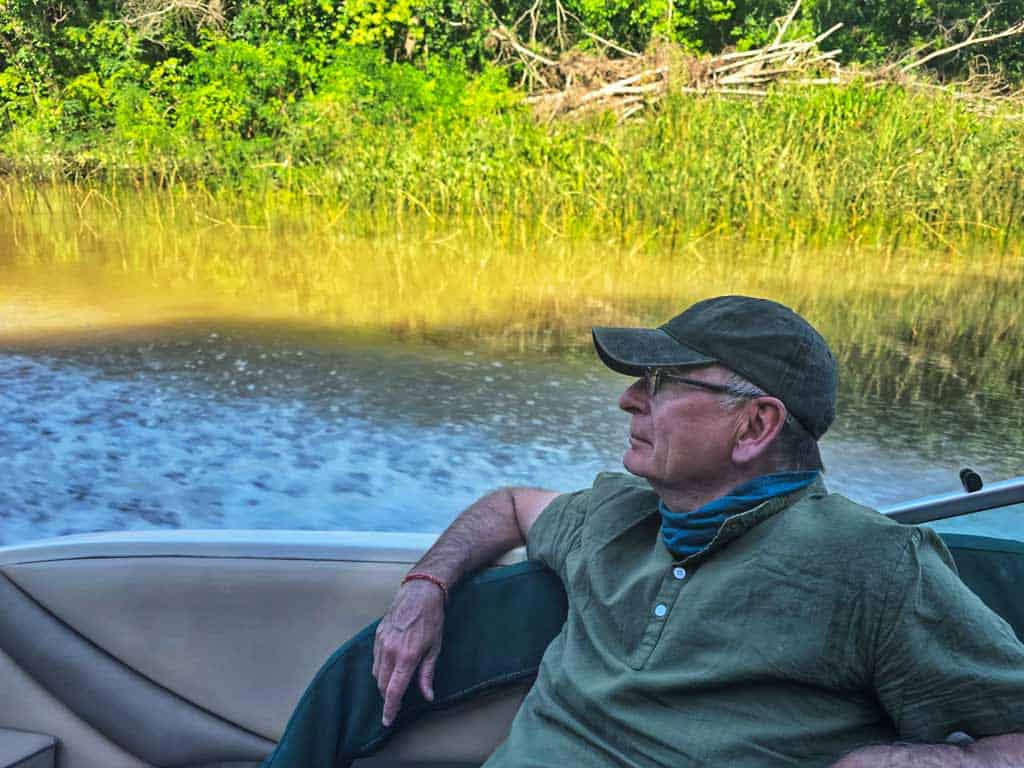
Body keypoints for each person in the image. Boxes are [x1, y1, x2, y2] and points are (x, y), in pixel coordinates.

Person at [372, 295, 1024, 767]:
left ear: (755, 426)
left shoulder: (877, 566)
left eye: (659, 381)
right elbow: (510, 506)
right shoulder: (615, 512)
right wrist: (425, 585)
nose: (629, 399)